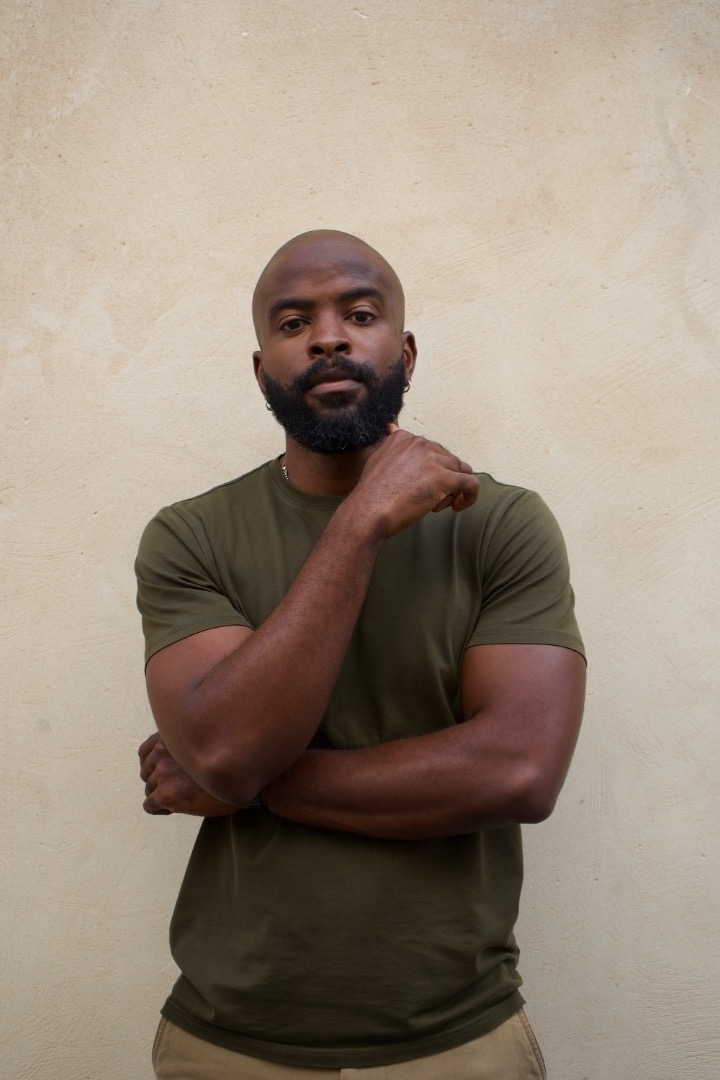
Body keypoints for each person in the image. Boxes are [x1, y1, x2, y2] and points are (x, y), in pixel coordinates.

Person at [136, 229, 586, 1080]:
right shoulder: (190, 536)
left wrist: (245, 788)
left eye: (361, 314)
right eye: (293, 322)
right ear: (261, 369)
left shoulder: (501, 524)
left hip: (459, 1041)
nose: (328, 338)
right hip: (227, 1044)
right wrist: (361, 521)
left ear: (405, 353)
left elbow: (519, 772)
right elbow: (229, 746)